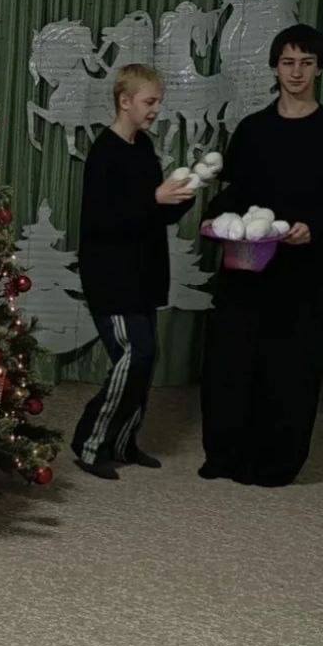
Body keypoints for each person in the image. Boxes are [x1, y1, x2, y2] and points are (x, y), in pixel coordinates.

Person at [200, 24, 323, 487]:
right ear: (275, 67)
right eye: (288, 62)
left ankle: (277, 463)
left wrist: (314, 229)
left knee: (290, 370)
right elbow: (233, 194)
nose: (296, 72)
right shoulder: (253, 129)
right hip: (248, 269)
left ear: (319, 69)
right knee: (232, 363)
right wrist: (216, 222)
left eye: (306, 63)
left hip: (304, 276)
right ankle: (225, 455)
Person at [71, 64, 197, 480]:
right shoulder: (104, 152)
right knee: (134, 354)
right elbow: (102, 221)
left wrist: (182, 196)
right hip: (111, 276)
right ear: (125, 101)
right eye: (150, 101)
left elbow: (151, 213)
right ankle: (90, 444)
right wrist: (154, 198)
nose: (156, 109)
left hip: (144, 274)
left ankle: (123, 442)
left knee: (146, 359)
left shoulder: (144, 147)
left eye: (159, 101)